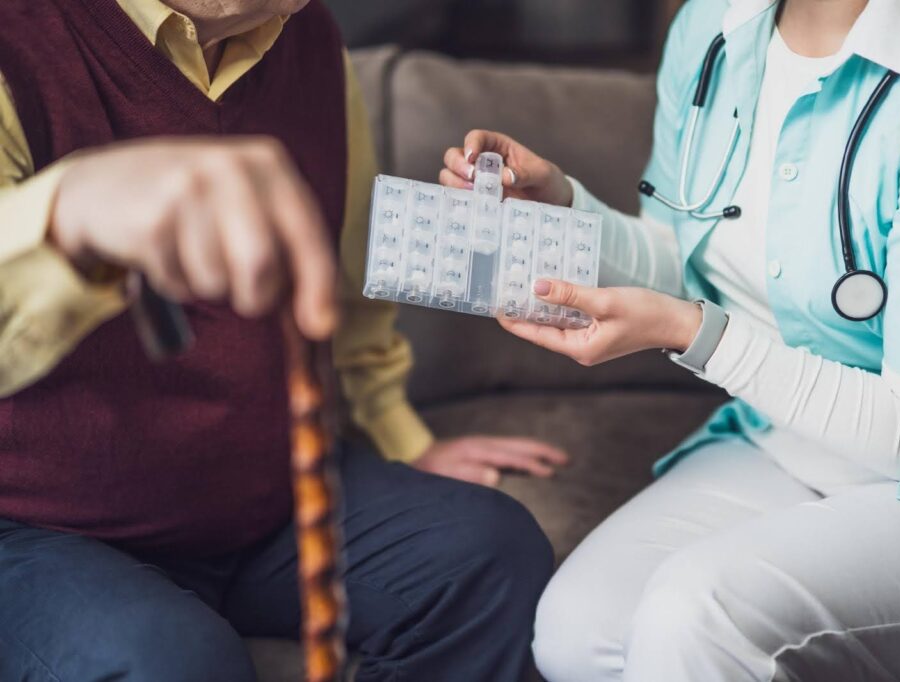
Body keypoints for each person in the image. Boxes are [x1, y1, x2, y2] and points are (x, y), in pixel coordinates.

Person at [439, 0, 900, 679]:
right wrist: (566, 211)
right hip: (789, 441)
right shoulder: (713, 26)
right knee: (581, 631)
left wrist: (693, 333)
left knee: (699, 619)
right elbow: (687, 260)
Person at [0, 1, 561, 680]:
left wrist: (403, 437)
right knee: (168, 659)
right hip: (34, 525)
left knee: (491, 555)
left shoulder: (312, 38)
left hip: (264, 497)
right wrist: (73, 209)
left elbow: (343, 286)